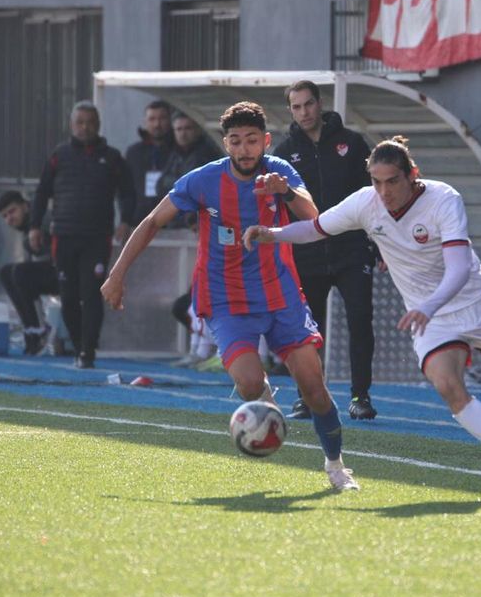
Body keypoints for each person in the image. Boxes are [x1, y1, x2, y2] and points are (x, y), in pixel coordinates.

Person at [244, 136, 481, 495]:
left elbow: (458, 269)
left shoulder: (444, 199)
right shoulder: (365, 203)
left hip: (476, 305)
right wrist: (271, 234)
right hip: (432, 320)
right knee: (447, 385)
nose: (384, 191)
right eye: (376, 182)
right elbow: (315, 228)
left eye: (392, 181)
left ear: (412, 174)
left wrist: (428, 305)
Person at [101, 101, 360, 492]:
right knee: (249, 384)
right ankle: (265, 399)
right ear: (226, 144)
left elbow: (314, 217)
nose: (244, 149)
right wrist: (117, 274)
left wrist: (285, 192)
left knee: (314, 389)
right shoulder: (203, 180)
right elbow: (153, 221)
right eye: (236, 141)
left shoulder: (280, 172)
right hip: (227, 300)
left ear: (265, 141)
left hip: (280, 295)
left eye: (252, 140)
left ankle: (336, 466)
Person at [274, 80, 377, 420]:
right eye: (296, 107)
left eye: (308, 104)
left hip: (352, 248)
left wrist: (379, 243)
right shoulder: (285, 153)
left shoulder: (353, 143)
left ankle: (361, 396)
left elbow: (374, 196)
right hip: (307, 252)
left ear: (320, 103)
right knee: (307, 330)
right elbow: (279, 207)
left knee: (360, 319)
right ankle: (309, 397)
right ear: (290, 111)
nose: (304, 112)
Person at [30, 100, 135, 369]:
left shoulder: (112, 157)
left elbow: (128, 193)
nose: (85, 127)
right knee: (68, 297)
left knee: (92, 294)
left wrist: (126, 221)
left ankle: (88, 350)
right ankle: (78, 346)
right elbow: (41, 193)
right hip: (64, 236)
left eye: (90, 122)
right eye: (80, 122)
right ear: (71, 125)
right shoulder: (59, 155)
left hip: (97, 237)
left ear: (98, 125)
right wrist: (34, 226)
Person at [0, 191, 60, 356]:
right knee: (6, 273)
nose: (9, 219)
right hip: (52, 270)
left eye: (12, 211)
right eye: (5, 216)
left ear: (25, 206)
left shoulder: (42, 220)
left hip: (68, 271)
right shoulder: (27, 228)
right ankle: (31, 330)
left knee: (19, 273)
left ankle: (38, 331)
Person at [157, 112, 222, 228]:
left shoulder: (207, 154)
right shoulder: (172, 154)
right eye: (179, 129)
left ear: (197, 130)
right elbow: (161, 185)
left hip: (198, 222)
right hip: (174, 218)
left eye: (188, 128)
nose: (183, 134)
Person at [124, 100, 175, 227]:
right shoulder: (134, 152)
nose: (157, 124)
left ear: (170, 120)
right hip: (140, 220)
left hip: (172, 218)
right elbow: (126, 190)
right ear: (145, 122)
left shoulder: (179, 150)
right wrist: (125, 220)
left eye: (162, 118)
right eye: (152, 119)